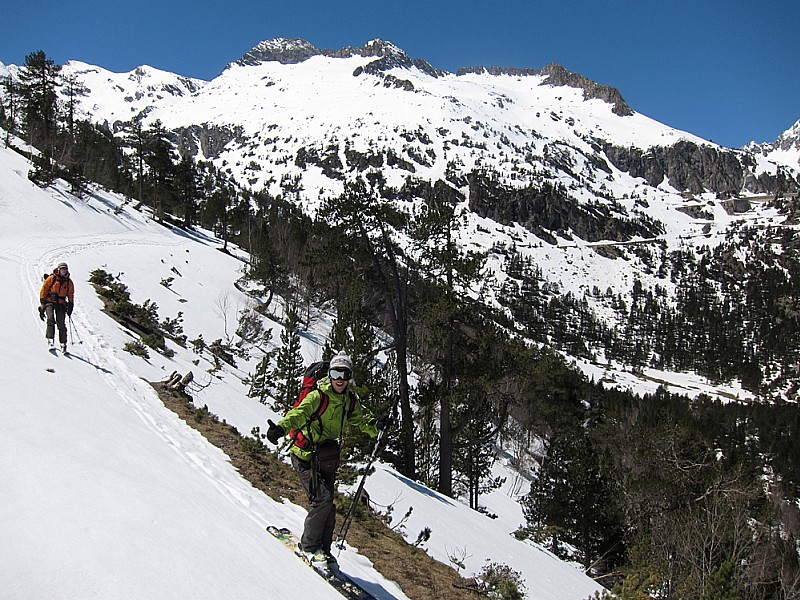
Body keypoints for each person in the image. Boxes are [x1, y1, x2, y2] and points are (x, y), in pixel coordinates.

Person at [266, 351, 387, 565]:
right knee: (321, 500)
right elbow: (298, 414)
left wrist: (376, 426)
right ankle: (309, 547)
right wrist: (280, 429)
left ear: (350, 377)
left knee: (328, 505)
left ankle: (324, 549)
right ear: (329, 374)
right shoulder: (317, 396)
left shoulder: (349, 400)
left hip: (326, 459)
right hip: (304, 457)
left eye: (344, 373)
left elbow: (362, 420)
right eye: (335, 373)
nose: (340, 379)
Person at [39, 262, 75, 351]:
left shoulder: (69, 282)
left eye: (65, 269)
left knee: (61, 323)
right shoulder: (52, 278)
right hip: (49, 301)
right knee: (50, 318)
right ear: (59, 269)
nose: (63, 271)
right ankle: (50, 340)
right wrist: (42, 303)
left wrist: (70, 305)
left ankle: (63, 343)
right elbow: (44, 289)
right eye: (62, 269)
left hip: (61, 303)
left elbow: (70, 294)